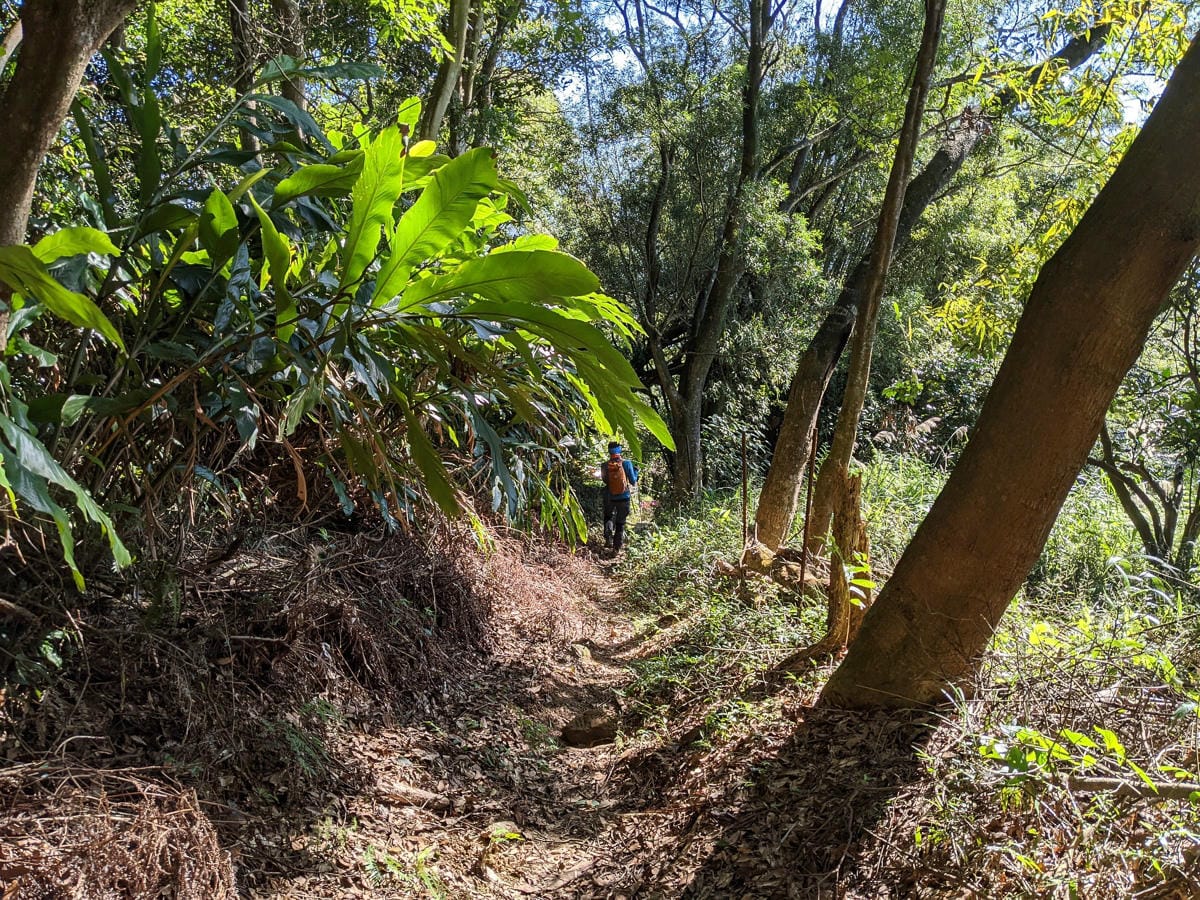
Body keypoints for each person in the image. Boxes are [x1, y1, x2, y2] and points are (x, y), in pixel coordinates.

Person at [601, 442, 637, 553]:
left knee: (608, 516)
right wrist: (635, 471)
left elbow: (605, 480)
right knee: (620, 523)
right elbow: (633, 481)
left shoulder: (604, 465)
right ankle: (616, 548)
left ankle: (608, 538)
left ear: (609, 451)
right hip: (624, 497)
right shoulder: (626, 463)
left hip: (609, 497)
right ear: (620, 450)